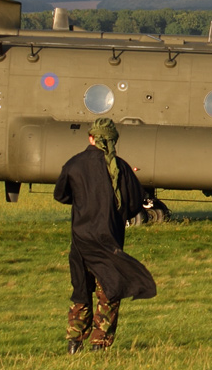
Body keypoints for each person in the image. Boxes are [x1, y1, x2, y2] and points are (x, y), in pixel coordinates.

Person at [54, 118, 157, 353]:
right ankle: (99, 344)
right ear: (113, 140)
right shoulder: (121, 167)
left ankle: (74, 342)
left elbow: (61, 195)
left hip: (80, 240)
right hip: (110, 240)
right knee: (109, 290)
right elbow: (133, 205)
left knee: (81, 290)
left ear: (91, 138)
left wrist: (82, 201)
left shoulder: (74, 165)